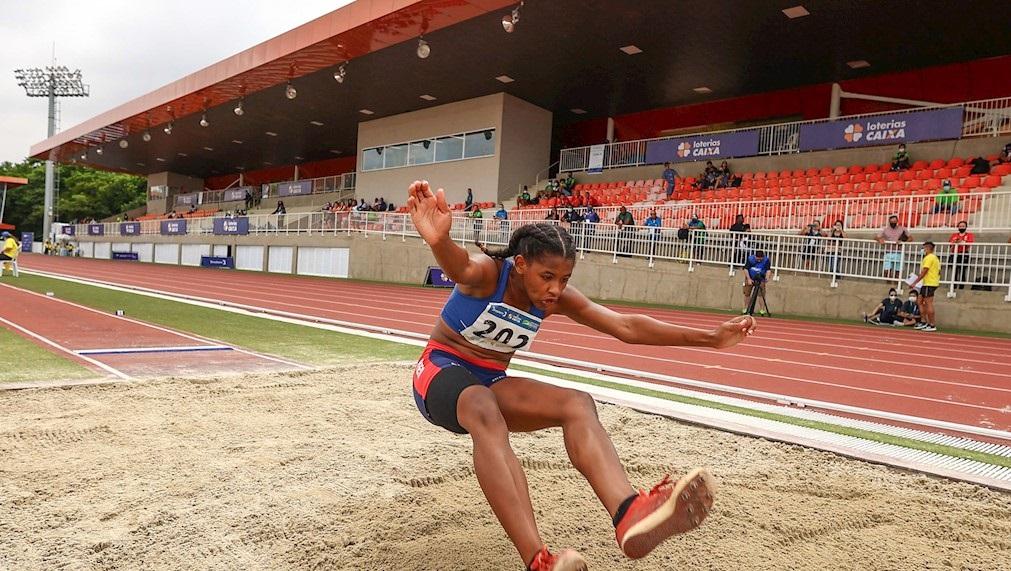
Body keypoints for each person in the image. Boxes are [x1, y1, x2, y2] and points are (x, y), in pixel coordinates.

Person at [406, 180, 754, 570]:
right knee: (482, 404)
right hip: (439, 372)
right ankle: (538, 560)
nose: (556, 289)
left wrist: (710, 338)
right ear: (520, 265)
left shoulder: (553, 298)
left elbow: (626, 327)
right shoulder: (491, 274)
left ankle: (629, 513)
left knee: (577, 403)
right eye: (547, 276)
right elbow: (460, 266)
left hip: (489, 381)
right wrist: (439, 241)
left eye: (564, 279)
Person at [909, 241, 941, 332]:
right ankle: (923, 321)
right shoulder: (932, 258)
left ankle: (932, 324)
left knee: (928, 303)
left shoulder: (929, 258)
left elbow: (924, 271)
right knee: (919, 301)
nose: (923, 250)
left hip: (930, 283)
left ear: (927, 248)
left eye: (924, 248)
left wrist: (914, 283)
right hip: (927, 283)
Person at [876, 215, 911, 279]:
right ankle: (887, 283)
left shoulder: (903, 229)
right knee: (887, 271)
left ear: (897, 221)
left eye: (894, 221)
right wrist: (880, 239)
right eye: (892, 221)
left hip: (899, 252)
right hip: (888, 252)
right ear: (889, 222)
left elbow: (910, 238)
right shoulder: (885, 230)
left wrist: (903, 242)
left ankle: (896, 284)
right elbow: (876, 237)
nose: (893, 223)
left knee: (898, 272)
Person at [742, 250, 770, 315]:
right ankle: (746, 308)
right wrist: (748, 279)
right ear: (755, 256)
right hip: (750, 277)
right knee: (747, 293)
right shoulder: (750, 259)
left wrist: (767, 277)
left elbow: (768, 270)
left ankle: (762, 310)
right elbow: (745, 269)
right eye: (758, 259)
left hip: (761, 278)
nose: (759, 260)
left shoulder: (766, 260)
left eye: (761, 259)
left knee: (761, 294)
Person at [948, 221, 974, 289]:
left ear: (966, 227)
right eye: (960, 226)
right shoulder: (954, 235)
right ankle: (954, 286)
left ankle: (961, 287)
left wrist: (961, 241)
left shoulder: (969, 235)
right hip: (954, 254)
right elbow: (950, 244)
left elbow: (969, 244)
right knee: (954, 271)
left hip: (963, 254)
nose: (961, 227)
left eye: (963, 226)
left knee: (962, 271)